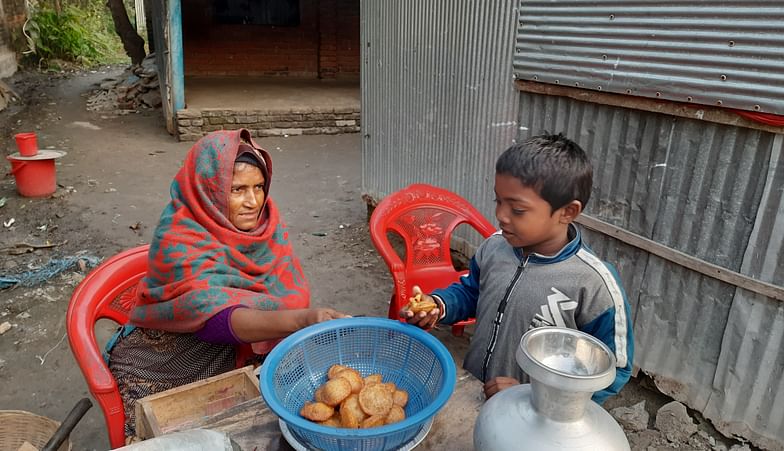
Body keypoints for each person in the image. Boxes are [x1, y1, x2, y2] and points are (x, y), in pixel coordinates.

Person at [107, 129, 347, 437]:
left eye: (259, 187)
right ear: (209, 190)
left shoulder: (267, 228)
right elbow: (212, 318)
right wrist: (303, 319)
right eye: (237, 190)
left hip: (241, 352)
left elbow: (284, 288)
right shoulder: (179, 236)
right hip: (168, 361)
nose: (253, 201)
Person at [403, 133, 633, 404]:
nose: (501, 215)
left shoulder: (594, 285)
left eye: (518, 209)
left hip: (534, 421)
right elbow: (471, 293)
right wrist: (439, 306)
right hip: (478, 392)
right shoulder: (494, 248)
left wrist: (535, 397)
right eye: (498, 201)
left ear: (567, 212)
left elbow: (615, 371)